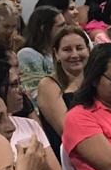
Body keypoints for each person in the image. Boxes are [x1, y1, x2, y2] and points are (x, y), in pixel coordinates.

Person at [35, 26, 91, 156]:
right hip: (70, 157)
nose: (75, 54)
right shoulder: (48, 85)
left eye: (79, 48)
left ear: (88, 50)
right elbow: (68, 131)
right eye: (67, 50)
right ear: (56, 54)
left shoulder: (97, 81)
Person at [17, 5, 66, 101]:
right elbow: (35, 93)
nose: (66, 29)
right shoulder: (27, 55)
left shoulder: (58, 52)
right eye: (61, 26)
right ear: (44, 28)